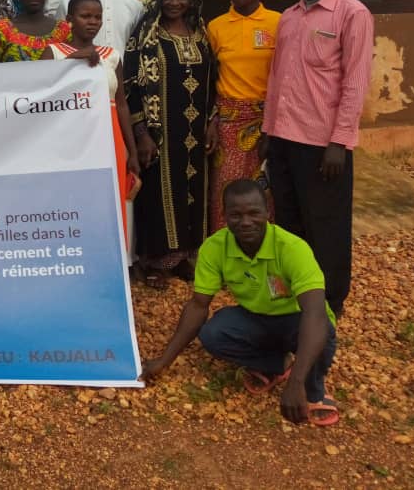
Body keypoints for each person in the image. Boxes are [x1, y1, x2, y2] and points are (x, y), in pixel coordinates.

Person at [141, 179, 340, 428]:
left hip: (297, 320)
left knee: (322, 331)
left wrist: (296, 383)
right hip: (255, 317)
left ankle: (314, 389)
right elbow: (198, 306)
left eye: (254, 213)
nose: (245, 222)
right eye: (235, 215)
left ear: (269, 212)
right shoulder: (214, 247)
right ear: (224, 215)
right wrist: (164, 360)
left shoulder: (292, 248)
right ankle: (278, 365)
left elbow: (315, 314)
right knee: (214, 333)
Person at [262, 0, 373, 317]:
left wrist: (339, 142)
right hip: (282, 138)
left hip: (322, 144)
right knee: (289, 220)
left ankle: (330, 301)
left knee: (326, 223)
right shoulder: (290, 17)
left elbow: (355, 83)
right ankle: (297, 291)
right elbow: (278, 78)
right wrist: (268, 132)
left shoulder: (352, 13)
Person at [125, 0, 214, 287]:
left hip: (195, 132)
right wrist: (141, 133)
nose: (175, 2)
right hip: (160, 134)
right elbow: (130, 86)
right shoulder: (146, 36)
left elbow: (213, 83)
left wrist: (213, 121)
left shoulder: (200, 33)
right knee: (158, 195)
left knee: (191, 193)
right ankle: (155, 261)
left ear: (192, 0)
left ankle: (184, 258)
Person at [41, 0, 140, 237]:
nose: (92, 21)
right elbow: (42, 94)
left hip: (109, 138)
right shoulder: (53, 53)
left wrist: (132, 151)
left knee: (109, 198)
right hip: (68, 139)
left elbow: (122, 105)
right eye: (86, 16)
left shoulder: (112, 56)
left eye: (97, 17)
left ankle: (111, 257)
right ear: (70, 19)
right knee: (70, 197)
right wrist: (74, 59)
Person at [205, 0, 287, 234]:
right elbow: (210, 78)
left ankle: (263, 258)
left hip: (267, 121)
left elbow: (285, 76)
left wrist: (271, 128)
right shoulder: (216, 27)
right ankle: (224, 257)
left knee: (263, 192)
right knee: (224, 191)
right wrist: (213, 120)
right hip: (228, 123)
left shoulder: (278, 24)